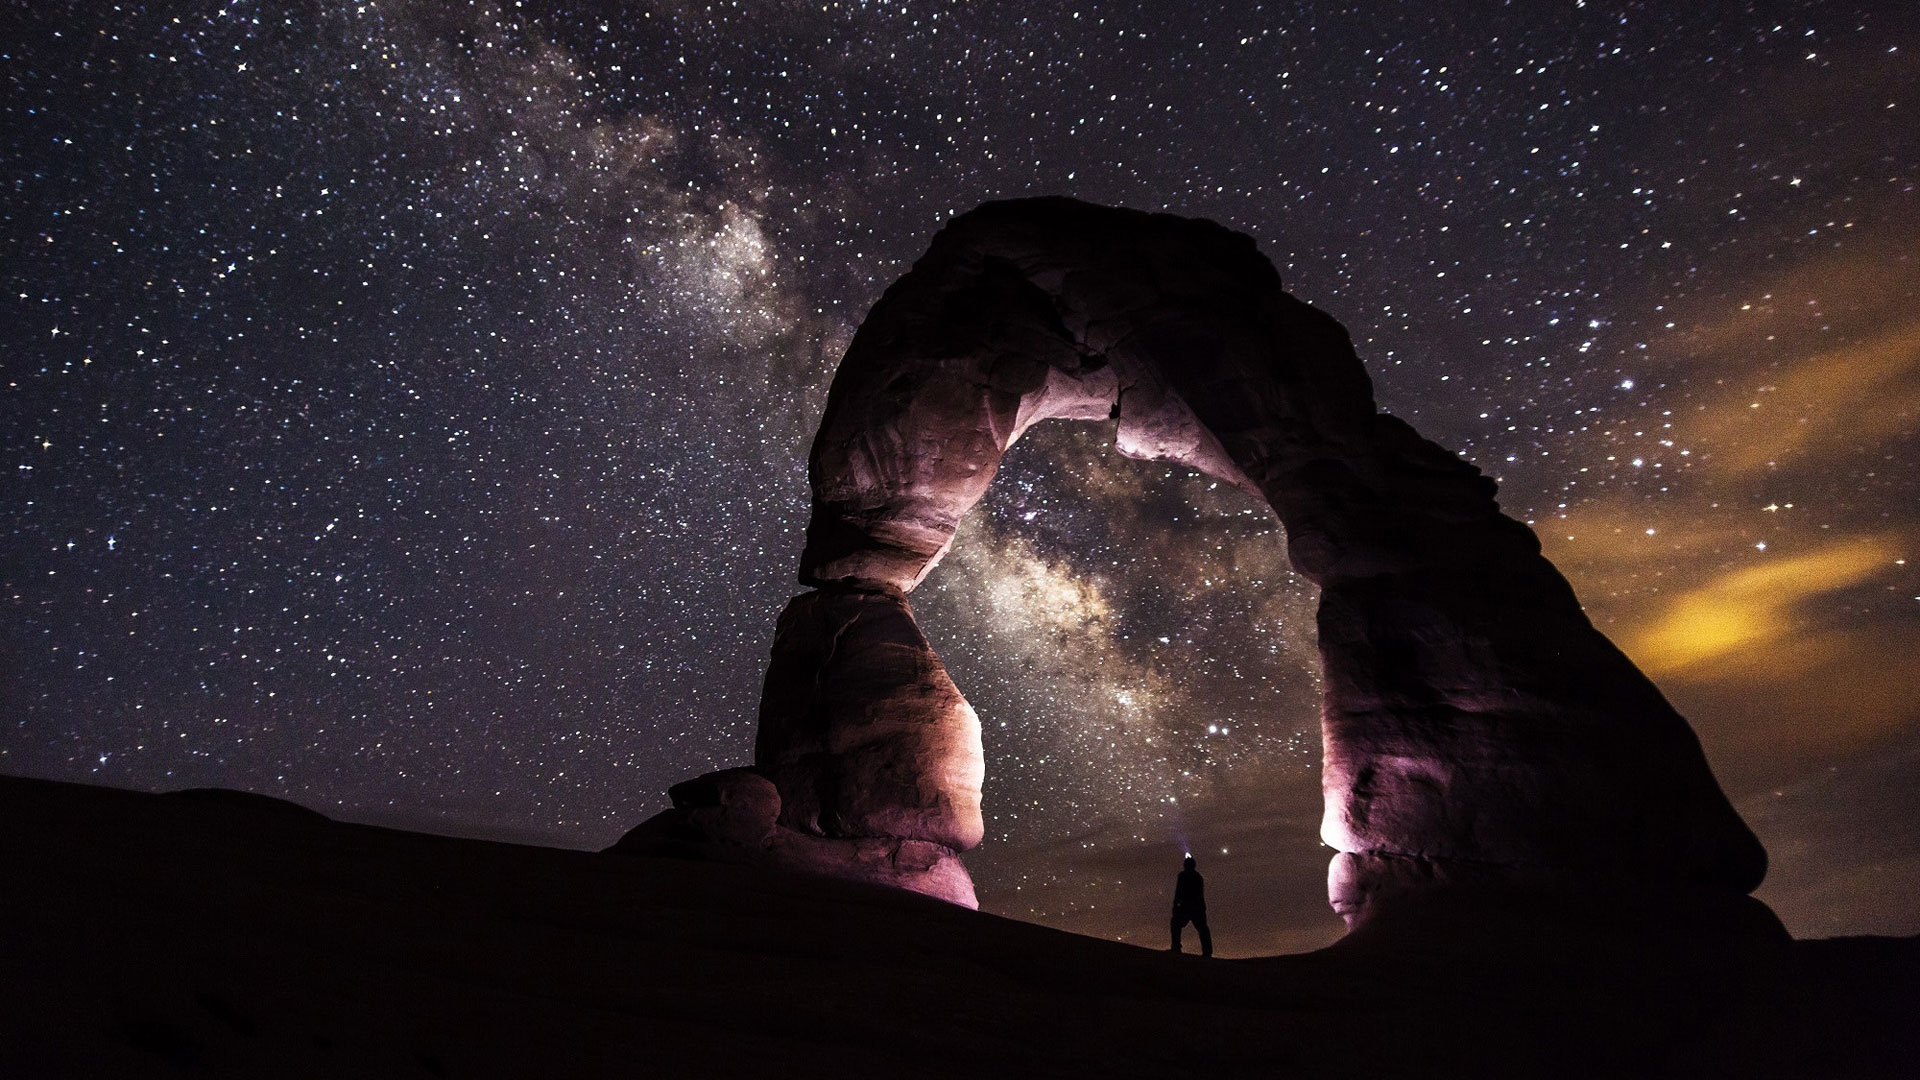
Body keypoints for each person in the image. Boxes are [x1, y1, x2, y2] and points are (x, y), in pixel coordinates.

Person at [1169, 855, 1212, 957]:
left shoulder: (1184, 876)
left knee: (1176, 924)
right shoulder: (1197, 877)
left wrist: (1176, 905)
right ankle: (1207, 952)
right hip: (1195, 907)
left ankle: (1176, 947)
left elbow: (1178, 892)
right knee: (1202, 929)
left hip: (1188, 907)